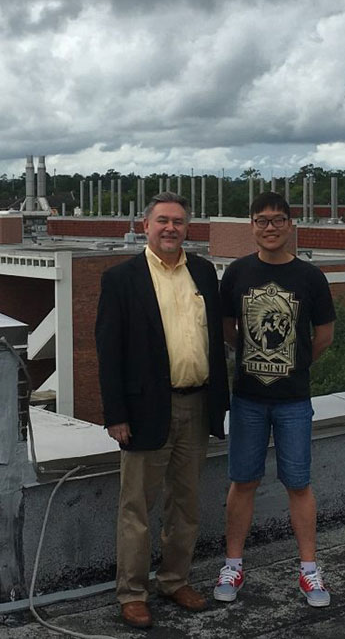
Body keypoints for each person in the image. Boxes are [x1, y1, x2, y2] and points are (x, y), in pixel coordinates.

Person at [95, 192, 228, 629]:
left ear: (188, 228)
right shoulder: (122, 279)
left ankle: (174, 580)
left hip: (197, 404)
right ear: (145, 225)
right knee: (136, 509)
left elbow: (214, 341)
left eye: (179, 222)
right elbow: (108, 352)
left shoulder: (204, 273)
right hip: (144, 411)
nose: (171, 228)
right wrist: (115, 415)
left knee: (185, 505)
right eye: (163, 221)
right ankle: (132, 593)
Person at [214, 191, 337, 608]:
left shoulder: (310, 278)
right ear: (251, 226)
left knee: (299, 483)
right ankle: (233, 563)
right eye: (262, 220)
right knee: (242, 481)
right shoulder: (236, 273)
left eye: (278, 220)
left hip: (293, 401)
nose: (270, 227)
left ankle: (309, 570)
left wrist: (294, 365)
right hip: (247, 397)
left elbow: (323, 337)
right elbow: (228, 330)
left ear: (290, 225)